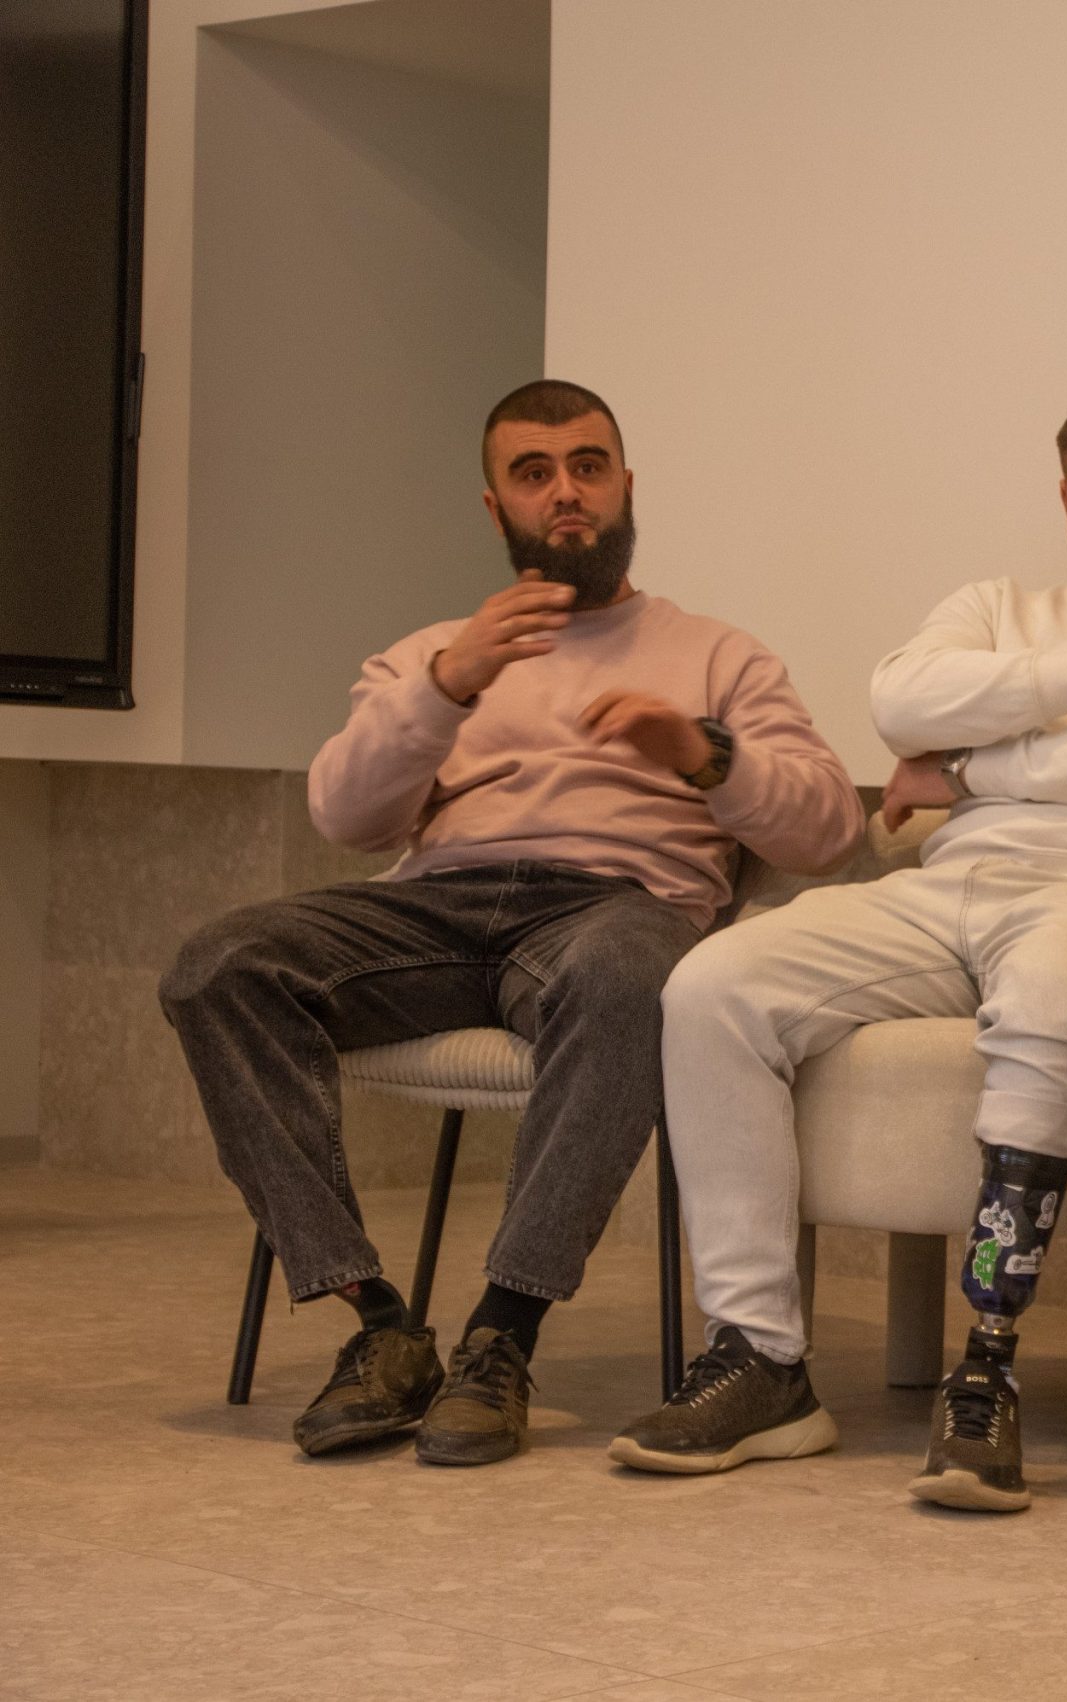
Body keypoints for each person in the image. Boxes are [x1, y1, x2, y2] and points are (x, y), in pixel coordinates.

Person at [613, 380, 1067, 1510]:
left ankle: (986, 1367)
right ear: (1064, 498)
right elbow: (901, 704)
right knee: (712, 984)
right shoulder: (997, 606)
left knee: (1052, 1000)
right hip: (944, 892)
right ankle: (759, 1360)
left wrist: (970, 768)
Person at [160, 380, 862, 1466]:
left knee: (637, 978)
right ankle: (377, 1323)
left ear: (626, 486)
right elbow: (345, 816)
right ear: (497, 508)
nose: (565, 492)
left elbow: (829, 830)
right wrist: (448, 685)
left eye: (587, 467)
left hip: (613, 909)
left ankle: (502, 1334)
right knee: (219, 967)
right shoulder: (438, 651)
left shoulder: (719, 655)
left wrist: (702, 753)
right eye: (535, 474)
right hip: (434, 907)